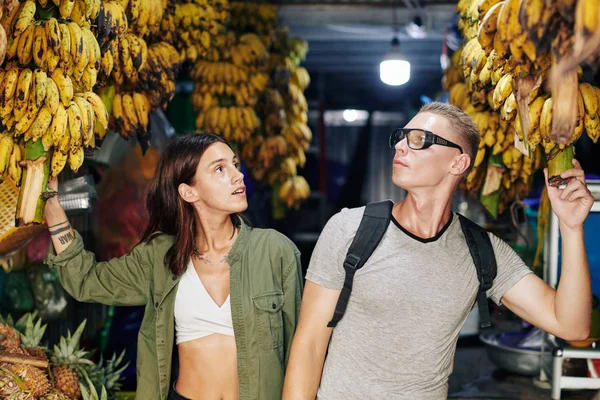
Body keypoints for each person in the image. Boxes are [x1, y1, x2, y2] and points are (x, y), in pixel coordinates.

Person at [282, 102, 594, 399]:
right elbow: (309, 344)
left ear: (458, 162)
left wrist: (570, 227)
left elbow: (574, 327)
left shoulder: (482, 251)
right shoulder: (350, 229)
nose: (401, 146)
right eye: (401, 137)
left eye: (420, 139)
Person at [44, 133, 304, 400]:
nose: (238, 176)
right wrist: (52, 206)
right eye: (219, 169)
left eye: (235, 164)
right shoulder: (160, 256)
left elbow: (302, 350)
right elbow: (86, 282)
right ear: (188, 191)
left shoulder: (275, 251)